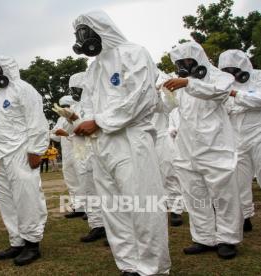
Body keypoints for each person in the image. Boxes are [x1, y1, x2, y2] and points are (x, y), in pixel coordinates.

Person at [71, 10, 171, 275]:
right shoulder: (93, 68)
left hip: (131, 140)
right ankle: (129, 263)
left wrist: (99, 121)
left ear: (100, 29)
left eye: (85, 33)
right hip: (102, 144)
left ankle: (152, 268)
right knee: (113, 208)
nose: (82, 40)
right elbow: (88, 104)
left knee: (142, 205)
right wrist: (87, 122)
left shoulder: (133, 53)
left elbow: (141, 97)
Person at [163, 41, 243, 259]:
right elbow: (168, 107)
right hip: (187, 147)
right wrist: (163, 92)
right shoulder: (182, 83)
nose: (182, 66)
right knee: (194, 195)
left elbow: (217, 93)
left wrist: (187, 84)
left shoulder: (221, 77)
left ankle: (227, 239)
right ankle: (203, 238)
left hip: (216, 146)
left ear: (197, 59)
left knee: (224, 195)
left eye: (185, 61)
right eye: (178, 63)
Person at [0, 56, 49, 266]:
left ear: (7, 69)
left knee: (27, 197)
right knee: (6, 200)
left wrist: (36, 149)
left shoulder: (24, 89)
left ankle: (32, 243)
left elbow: (36, 120)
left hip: (20, 152)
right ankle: (17, 241)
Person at [55, 74, 107, 243]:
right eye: (72, 90)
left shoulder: (95, 101)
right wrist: (70, 119)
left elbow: (92, 126)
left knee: (103, 191)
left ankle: (110, 227)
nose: (74, 93)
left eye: (77, 89)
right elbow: (72, 131)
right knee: (87, 190)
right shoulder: (78, 106)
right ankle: (96, 225)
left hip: (95, 151)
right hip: (81, 153)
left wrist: (75, 119)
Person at [218, 49, 261, 232]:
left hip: (258, 132)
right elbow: (225, 109)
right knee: (239, 181)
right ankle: (245, 216)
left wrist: (237, 96)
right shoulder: (224, 84)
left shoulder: (258, 77)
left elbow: (258, 100)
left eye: (234, 69)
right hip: (237, 137)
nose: (232, 74)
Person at [154, 71, 184, 226]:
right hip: (140, 140)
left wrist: (159, 91)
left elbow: (170, 105)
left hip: (160, 136)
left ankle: (176, 210)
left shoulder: (161, 83)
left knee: (168, 174)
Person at [51, 95, 84, 219]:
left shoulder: (78, 115)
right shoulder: (60, 119)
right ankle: (78, 207)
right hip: (67, 153)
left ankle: (90, 209)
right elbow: (55, 136)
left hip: (79, 150)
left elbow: (80, 130)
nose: (64, 109)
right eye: (63, 106)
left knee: (83, 180)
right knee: (71, 181)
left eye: (67, 106)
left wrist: (64, 132)